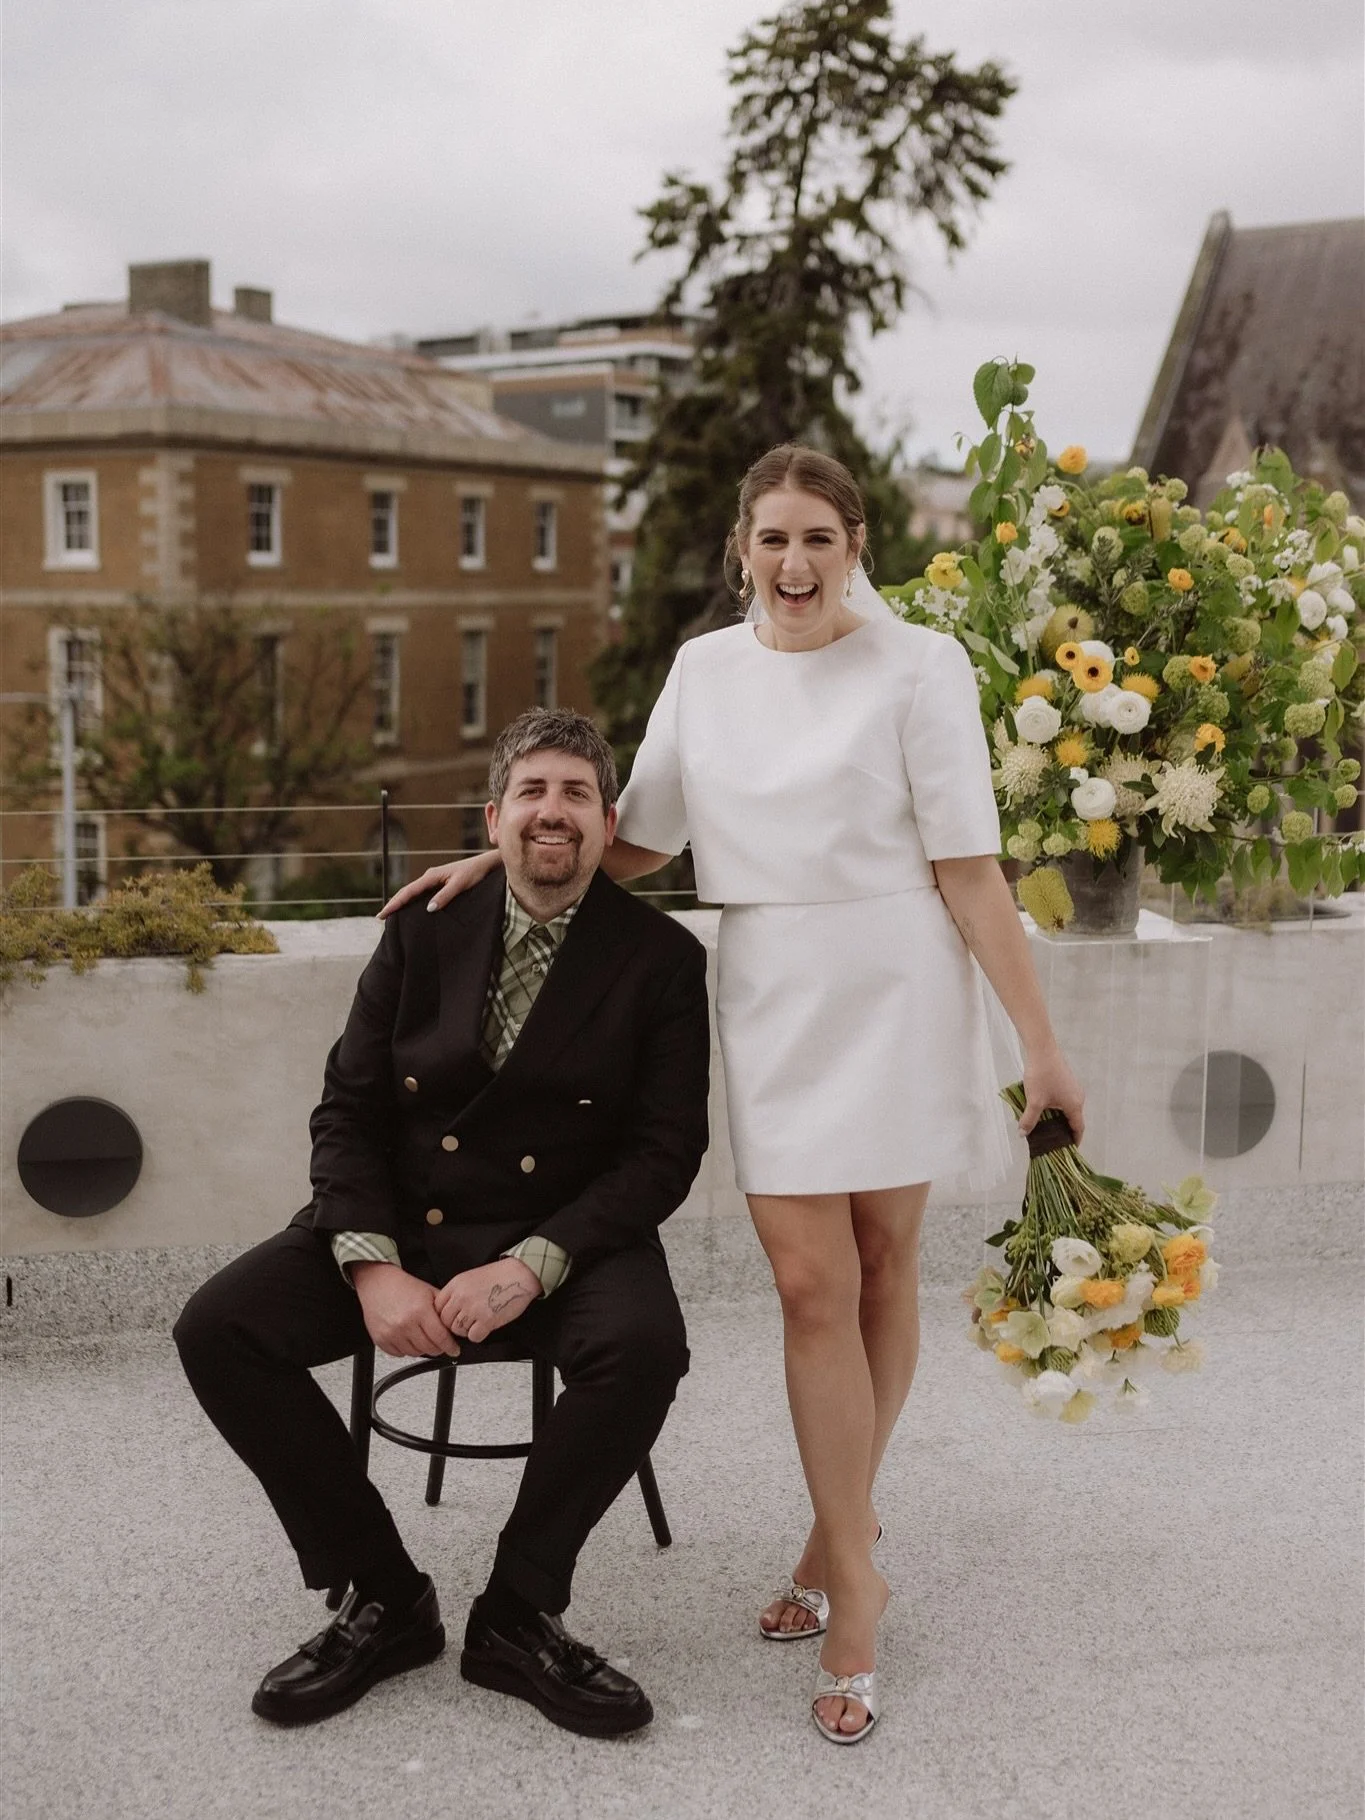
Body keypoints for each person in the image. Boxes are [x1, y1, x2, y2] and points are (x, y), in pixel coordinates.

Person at [382, 447, 1084, 1745]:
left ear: (855, 543)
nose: (796, 564)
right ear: (741, 547)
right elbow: (633, 840)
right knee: (809, 1285)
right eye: (772, 539)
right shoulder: (706, 672)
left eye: (819, 537)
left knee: (882, 1267)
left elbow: (972, 873)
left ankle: (834, 1543)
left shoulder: (923, 664)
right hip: (771, 997)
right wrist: (489, 863)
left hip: (896, 984)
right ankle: (861, 1573)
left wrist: (1039, 1048)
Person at [175, 708, 710, 1738]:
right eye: (532, 792)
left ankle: (516, 1610)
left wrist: (533, 1263)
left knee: (647, 1346)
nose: (552, 813)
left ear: (609, 823)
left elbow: (662, 1151)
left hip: (565, 1230)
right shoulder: (423, 928)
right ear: (494, 815)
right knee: (219, 1326)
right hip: (411, 1224)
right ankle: (384, 1593)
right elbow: (348, 1110)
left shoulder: (660, 959)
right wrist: (372, 1264)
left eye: (575, 796)